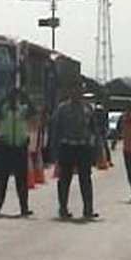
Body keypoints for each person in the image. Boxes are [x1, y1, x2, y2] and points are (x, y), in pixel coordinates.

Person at [51, 82, 100, 220]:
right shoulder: (62, 109)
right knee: (64, 180)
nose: (77, 92)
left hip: (83, 148)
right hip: (67, 147)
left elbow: (94, 130)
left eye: (80, 90)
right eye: (74, 89)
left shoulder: (88, 109)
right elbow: (56, 130)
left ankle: (88, 209)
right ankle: (63, 208)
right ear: (70, 91)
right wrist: (55, 150)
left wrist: (96, 149)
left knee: (85, 180)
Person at [0, 86, 35, 217]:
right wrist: (5, 96)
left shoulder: (22, 110)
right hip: (6, 147)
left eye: (14, 98)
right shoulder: (4, 110)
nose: (12, 100)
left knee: (21, 181)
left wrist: (24, 95)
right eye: (11, 97)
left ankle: (24, 207)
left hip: (20, 147)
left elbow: (32, 110)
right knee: (1, 180)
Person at [94, 101, 113, 166]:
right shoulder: (102, 113)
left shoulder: (98, 113)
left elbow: (105, 123)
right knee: (101, 146)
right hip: (99, 131)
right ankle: (106, 160)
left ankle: (107, 160)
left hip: (100, 131)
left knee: (102, 146)